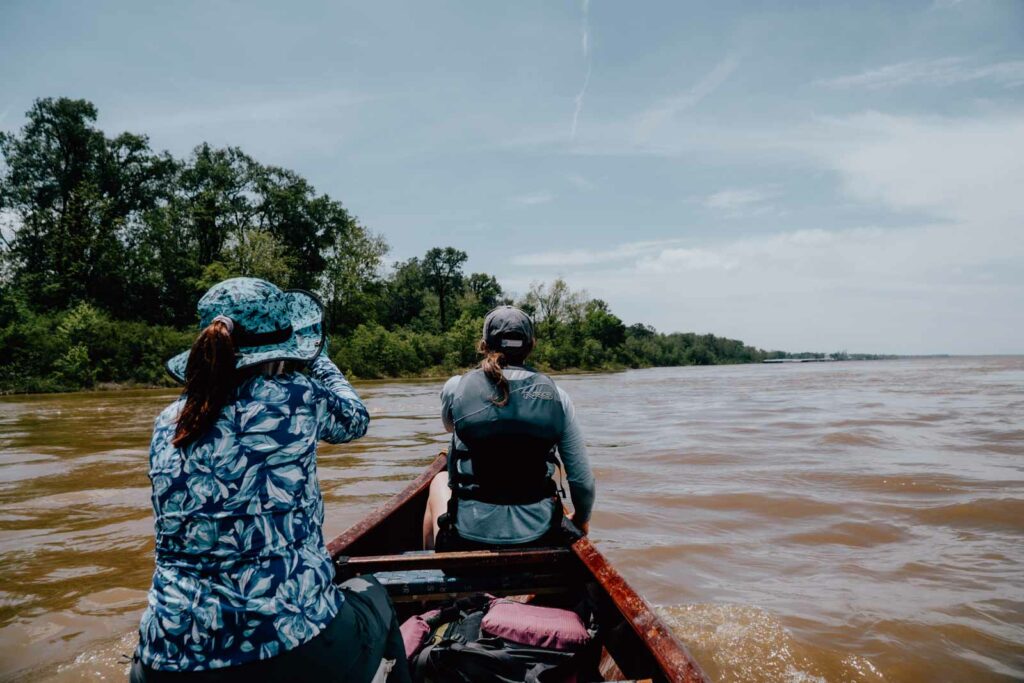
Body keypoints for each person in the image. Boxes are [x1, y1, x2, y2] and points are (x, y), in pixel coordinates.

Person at [130, 277, 410, 683]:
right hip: (286, 647)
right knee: (376, 595)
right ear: (283, 349)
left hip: (162, 657)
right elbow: (355, 420)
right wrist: (315, 357)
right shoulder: (299, 395)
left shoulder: (168, 421)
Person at [422, 305, 596, 550]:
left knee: (439, 480)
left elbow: (451, 428)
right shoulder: (558, 396)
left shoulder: (456, 387)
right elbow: (582, 482)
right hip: (539, 533)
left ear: (484, 344)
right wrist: (581, 520)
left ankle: (438, 565)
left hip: (469, 534)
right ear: (531, 345)